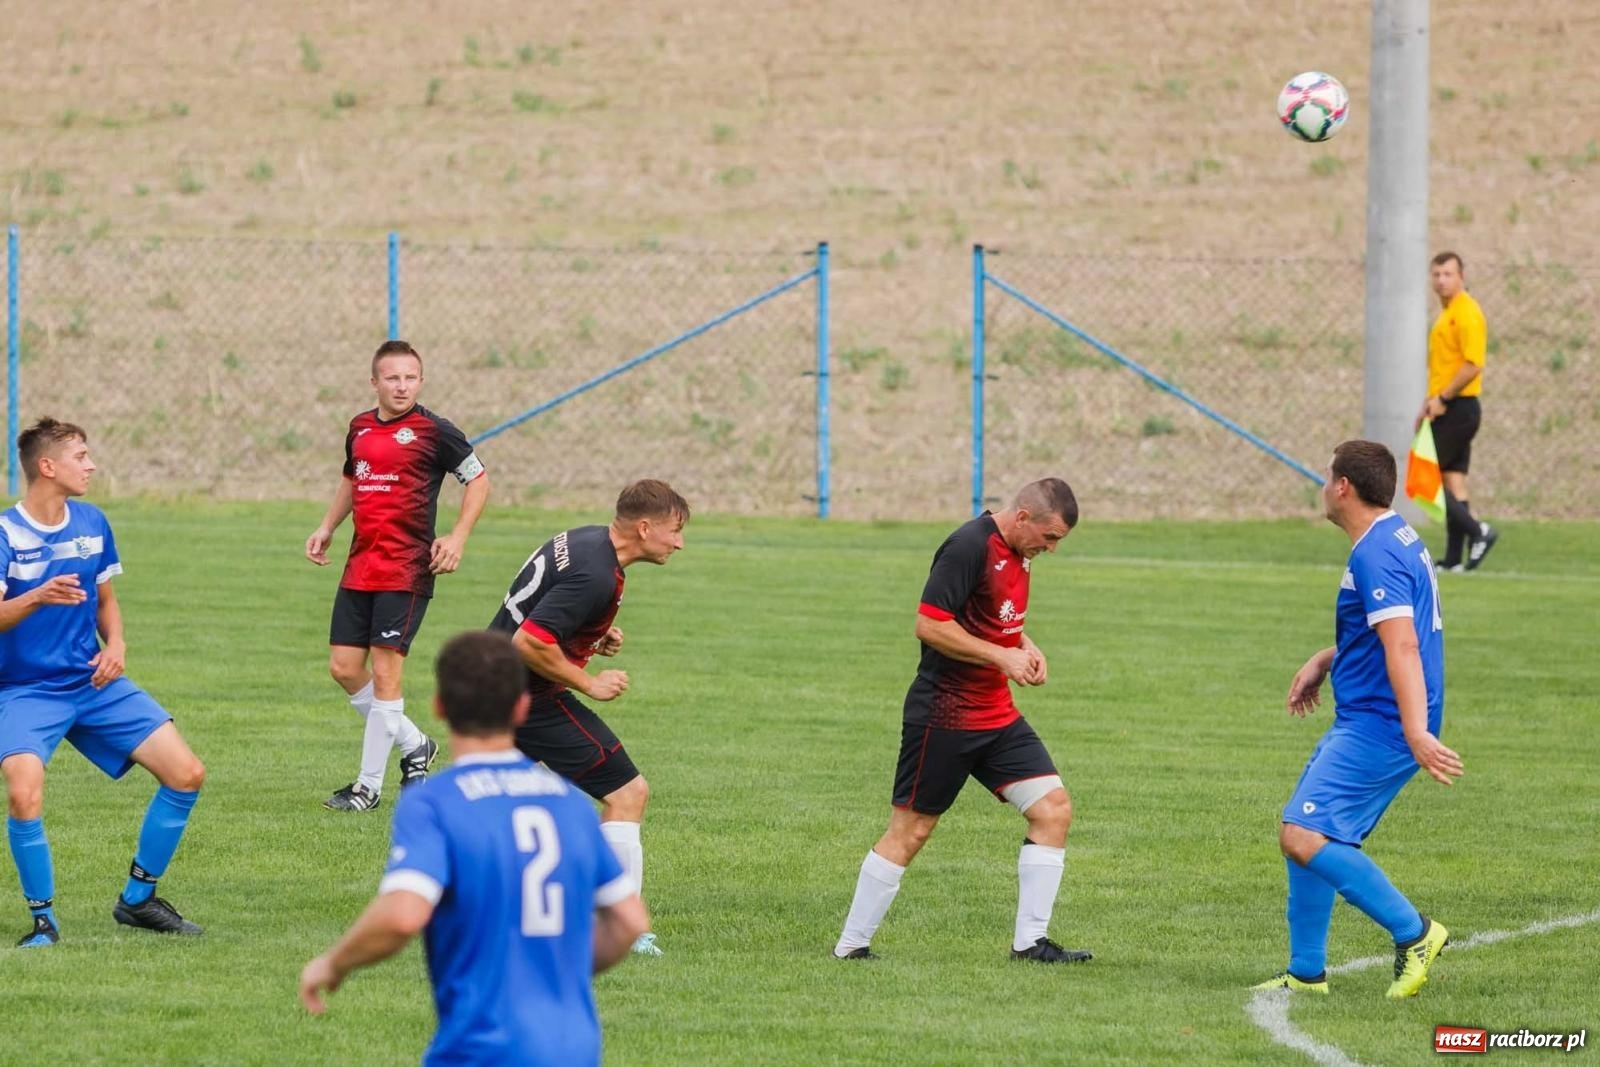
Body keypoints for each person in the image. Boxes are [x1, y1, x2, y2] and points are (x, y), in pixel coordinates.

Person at [298, 630, 648, 1066]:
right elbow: (630, 920)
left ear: (440, 706)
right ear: (521, 707)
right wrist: (555, 973)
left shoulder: (437, 801)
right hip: (575, 1046)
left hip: (483, 1047)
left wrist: (334, 964)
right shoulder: (569, 802)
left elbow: (403, 915)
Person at [833, 478, 1092, 964]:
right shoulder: (967, 546)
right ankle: (851, 947)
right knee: (911, 831)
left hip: (996, 715)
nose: (1051, 549)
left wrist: (1024, 645)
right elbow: (930, 624)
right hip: (945, 715)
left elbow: (992, 612)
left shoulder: (1019, 550)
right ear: (1022, 518)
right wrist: (1001, 656)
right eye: (1050, 537)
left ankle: (1030, 944)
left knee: (1053, 809)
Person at [1253, 440, 1461, 999]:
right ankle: (1306, 973)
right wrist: (1327, 659)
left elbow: (1403, 648)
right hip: (1372, 714)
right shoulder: (1393, 536)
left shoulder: (1376, 554)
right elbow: (1383, 631)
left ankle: (1415, 933)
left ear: (1343, 486)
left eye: (1326, 477)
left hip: (1384, 722)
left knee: (1302, 833)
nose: (1323, 487)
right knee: (1307, 827)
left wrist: (1415, 731)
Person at [0, 418, 208, 947]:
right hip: (24, 691)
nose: (91, 466)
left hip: (91, 680)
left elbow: (107, 603)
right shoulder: (6, 534)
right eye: (82, 456)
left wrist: (116, 646)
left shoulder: (92, 521)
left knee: (186, 773)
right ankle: (44, 921)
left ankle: (138, 901)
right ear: (48, 467)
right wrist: (35, 596)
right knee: (24, 795)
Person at [486, 479, 688, 958]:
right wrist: (590, 681)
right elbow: (530, 643)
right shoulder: (596, 574)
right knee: (628, 793)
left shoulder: (583, 540)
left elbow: (540, 612)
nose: (679, 542)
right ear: (644, 528)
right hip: (526, 695)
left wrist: (590, 637)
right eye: (674, 531)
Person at [306, 340, 490, 812]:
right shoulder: (360, 428)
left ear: (421, 381)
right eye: (392, 377)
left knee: (387, 674)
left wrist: (458, 537)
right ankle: (416, 746)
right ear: (375, 382)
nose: (402, 385)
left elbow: (479, 479)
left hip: (406, 567)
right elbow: (353, 477)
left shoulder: (435, 431)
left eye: (410, 377)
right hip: (359, 564)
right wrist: (328, 526)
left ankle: (368, 787)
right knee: (344, 668)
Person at [1414, 251, 1497, 572]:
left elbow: (1473, 364)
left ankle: (1479, 531)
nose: (1441, 280)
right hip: (1447, 405)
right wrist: (1429, 403)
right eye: (1436, 274)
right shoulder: (1447, 313)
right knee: (1453, 482)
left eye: (1448, 274)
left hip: (1459, 408)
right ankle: (1453, 560)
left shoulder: (1466, 313)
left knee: (1425, 479)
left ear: (1461, 276)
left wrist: (1443, 399)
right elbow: (1444, 368)